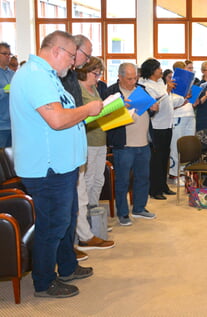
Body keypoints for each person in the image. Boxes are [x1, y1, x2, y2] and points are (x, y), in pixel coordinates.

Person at [10, 30, 103, 298]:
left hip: (62, 165)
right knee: (53, 224)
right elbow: (58, 120)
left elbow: (62, 116)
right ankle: (44, 281)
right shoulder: (36, 77)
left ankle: (67, 266)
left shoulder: (49, 76)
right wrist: (89, 109)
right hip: (47, 167)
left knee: (65, 220)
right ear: (56, 51)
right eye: (72, 57)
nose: (74, 64)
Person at [60, 34, 111, 261]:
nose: (98, 76)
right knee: (78, 192)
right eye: (95, 72)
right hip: (81, 142)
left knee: (89, 186)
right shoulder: (68, 82)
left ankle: (86, 233)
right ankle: (78, 239)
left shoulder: (77, 82)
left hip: (92, 140)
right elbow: (72, 116)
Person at [105, 63, 159, 226]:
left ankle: (139, 208)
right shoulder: (111, 92)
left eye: (135, 78)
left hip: (143, 143)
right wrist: (122, 109)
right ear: (119, 77)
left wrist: (154, 107)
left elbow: (150, 108)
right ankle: (123, 213)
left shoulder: (141, 88)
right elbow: (107, 118)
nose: (133, 81)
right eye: (129, 79)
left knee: (143, 178)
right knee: (122, 181)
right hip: (124, 145)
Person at [76, 56, 115, 251]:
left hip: (101, 139)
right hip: (88, 140)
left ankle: (94, 216)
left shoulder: (95, 89)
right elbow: (80, 116)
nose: (98, 77)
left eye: (100, 73)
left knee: (99, 179)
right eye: (95, 73)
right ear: (85, 70)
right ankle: (86, 228)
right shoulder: (78, 88)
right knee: (87, 180)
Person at [139, 58, 185, 201]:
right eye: (158, 68)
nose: (161, 70)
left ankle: (163, 185)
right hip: (156, 125)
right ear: (152, 70)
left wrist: (181, 98)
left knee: (165, 155)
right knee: (157, 159)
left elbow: (168, 99)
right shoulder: (145, 85)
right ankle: (155, 189)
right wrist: (167, 91)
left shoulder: (160, 83)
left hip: (167, 124)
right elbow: (153, 103)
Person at [168, 61, 196, 180]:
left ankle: (185, 173)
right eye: (186, 69)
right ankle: (174, 174)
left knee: (188, 146)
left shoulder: (188, 82)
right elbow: (168, 104)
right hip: (177, 116)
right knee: (176, 146)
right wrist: (183, 99)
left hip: (189, 114)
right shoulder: (170, 83)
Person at [0, 42, 15, 147]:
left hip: (13, 124)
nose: (8, 56)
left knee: (11, 158)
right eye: (5, 53)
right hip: (1, 126)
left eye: (9, 54)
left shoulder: (13, 74)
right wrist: (3, 91)